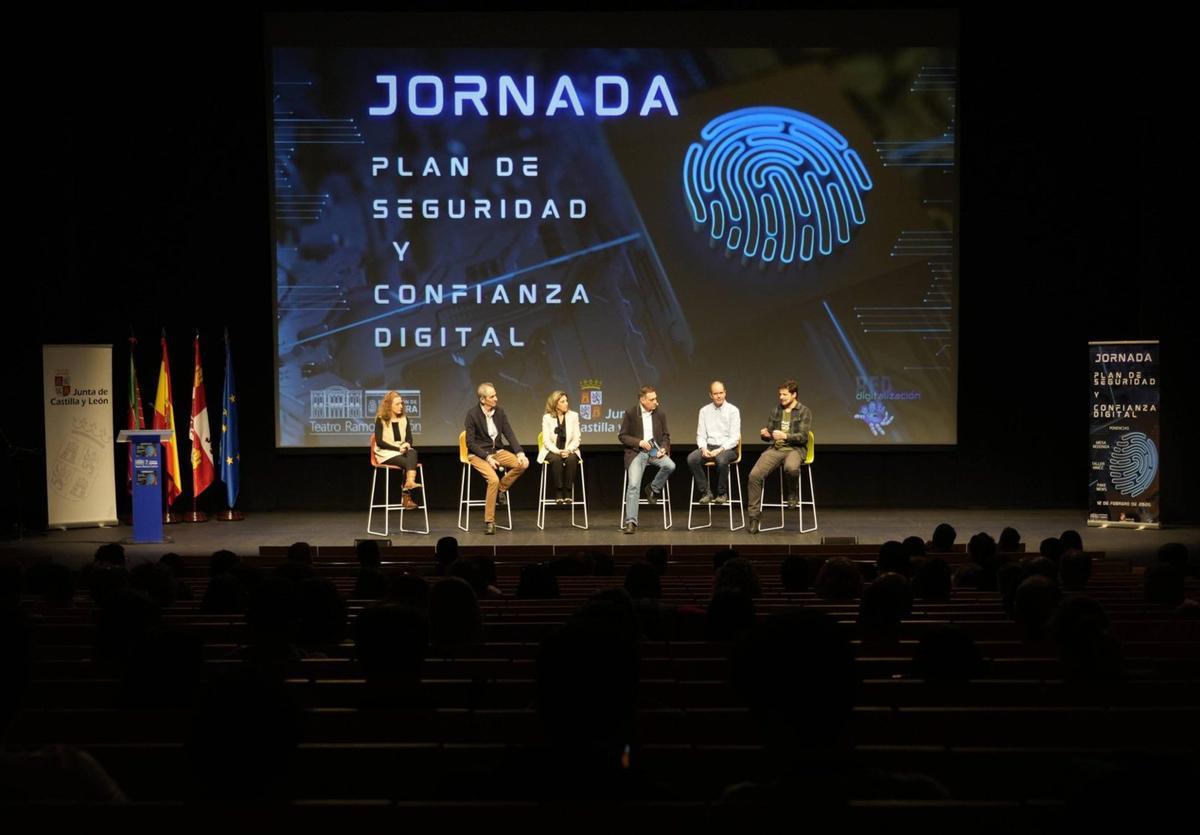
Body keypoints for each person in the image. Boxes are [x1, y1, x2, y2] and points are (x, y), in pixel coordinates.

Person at [746, 380, 812, 534]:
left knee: (791, 468)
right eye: (780, 394)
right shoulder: (776, 410)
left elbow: (803, 437)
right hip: (776, 449)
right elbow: (770, 434)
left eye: (785, 394)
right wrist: (765, 435)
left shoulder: (804, 411)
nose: (781, 397)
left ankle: (792, 492)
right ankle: (754, 517)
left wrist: (785, 436)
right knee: (754, 476)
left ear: (794, 395)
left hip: (795, 449)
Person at [464, 382, 528, 535]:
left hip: (498, 451)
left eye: (495, 395)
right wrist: (487, 457)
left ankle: (501, 489)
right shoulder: (472, 414)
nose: (496, 399)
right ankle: (490, 521)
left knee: (523, 464)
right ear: (482, 399)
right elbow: (470, 443)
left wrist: (520, 452)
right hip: (479, 454)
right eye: (492, 396)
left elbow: (509, 433)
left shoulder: (499, 412)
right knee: (493, 479)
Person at [618, 385, 674, 534]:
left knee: (670, 465)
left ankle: (653, 488)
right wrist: (639, 442)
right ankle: (631, 522)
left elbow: (666, 436)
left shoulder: (660, 413)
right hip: (637, 453)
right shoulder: (631, 413)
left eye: (656, 398)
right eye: (652, 399)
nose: (656, 402)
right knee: (633, 485)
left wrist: (663, 448)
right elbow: (622, 436)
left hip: (655, 452)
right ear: (643, 400)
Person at [686, 380, 741, 505]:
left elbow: (734, 438)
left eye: (721, 393)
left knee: (721, 460)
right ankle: (706, 492)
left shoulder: (733, 410)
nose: (719, 396)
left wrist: (720, 449)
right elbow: (701, 435)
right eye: (715, 394)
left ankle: (722, 493)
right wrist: (703, 448)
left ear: (725, 393)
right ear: (711, 395)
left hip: (728, 448)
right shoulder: (704, 411)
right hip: (709, 446)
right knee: (692, 459)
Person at [374, 390, 419, 510]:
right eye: (397, 404)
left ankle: (409, 482)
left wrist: (407, 444)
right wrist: (398, 448)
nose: (401, 406)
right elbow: (379, 442)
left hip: (401, 451)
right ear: (389, 405)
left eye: (401, 403)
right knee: (408, 462)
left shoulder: (404, 418)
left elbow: (409, 438)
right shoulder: (381, 419)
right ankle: (407, 495)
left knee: (413, 452)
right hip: (385, 453)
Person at [538, 390, 581, 504]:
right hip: (552, 450)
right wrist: (557, 451)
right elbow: (546, 440)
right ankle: (558, 491)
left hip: (569, 449)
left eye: (566, 401)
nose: (566, 403)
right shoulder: (547, 418)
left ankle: (568, 491)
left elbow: (577, 438)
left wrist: (568, 450)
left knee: (572, 459)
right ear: (555, 404)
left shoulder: (574, 416)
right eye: (563, 401)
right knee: (556, 460)